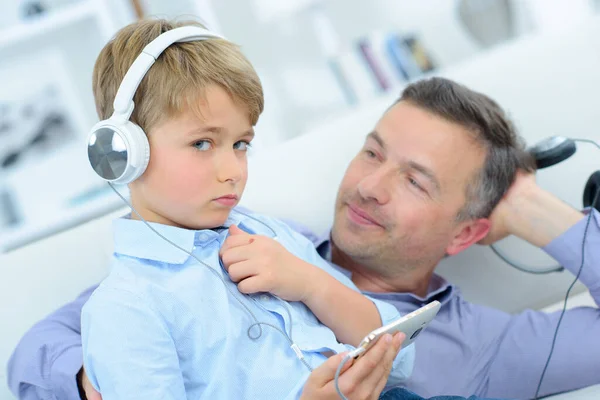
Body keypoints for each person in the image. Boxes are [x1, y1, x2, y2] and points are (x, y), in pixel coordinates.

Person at [7, 75, 599, 398]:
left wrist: (529, 208)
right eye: (373, 153)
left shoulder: (488, 349)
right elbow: (41, 346)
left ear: (468, 230)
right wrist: (101, 379)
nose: (370, 186)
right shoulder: (246, 242)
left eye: (415, 182)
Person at [9, 18, 422, 400]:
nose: (233, 171)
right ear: (123, 154)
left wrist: (312, 284)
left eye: (241, 144)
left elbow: (400, 357)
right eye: (202, 143)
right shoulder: (127, 307)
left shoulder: (270, 234)